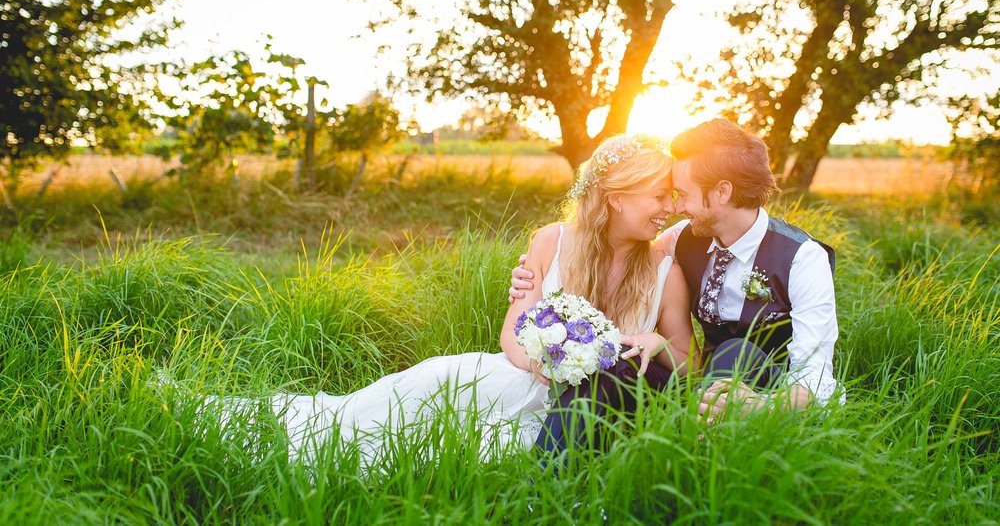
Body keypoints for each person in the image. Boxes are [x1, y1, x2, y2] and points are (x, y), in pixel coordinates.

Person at [169, 134, 697, 472]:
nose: (669, 208)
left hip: (576, 411)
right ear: (616, 198)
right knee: (365, 418)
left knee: (461, 456)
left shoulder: (663, 273)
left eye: (673, 197)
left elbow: (688, 362)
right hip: (506, 378)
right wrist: (534, 361)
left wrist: (660, 343)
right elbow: (513, 328)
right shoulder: (552, 241)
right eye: (659, 196)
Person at [510, 119, 843, 431]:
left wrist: (762, 406)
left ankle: (708, 449)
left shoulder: (802, 259)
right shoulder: (682, 238)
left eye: (682, 193)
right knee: (614, 367)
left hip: (773, 392)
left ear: (722, 192)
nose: (676, 207)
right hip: (703, 387)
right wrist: (536, 270)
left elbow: (814, 379)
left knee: (735, 350)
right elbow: (622, 249)